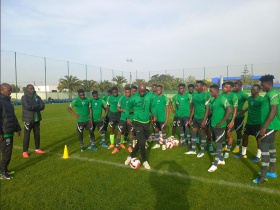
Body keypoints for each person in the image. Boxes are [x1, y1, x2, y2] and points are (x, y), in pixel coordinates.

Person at [253, 75, 279, 184]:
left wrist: (264, 127)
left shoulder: (273, 94)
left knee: (264, 150)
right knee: (271, 148)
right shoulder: (268, 94)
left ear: (269, 84)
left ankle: (263, 176)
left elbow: (273, 111)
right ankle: (272, 172)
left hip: (269, 127)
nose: (261, 86)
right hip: (270, 126)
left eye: (262, 85)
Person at [124, 83, 157, 170]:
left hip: (146, 123)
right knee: (142, 142)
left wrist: (155, 114)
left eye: (144, 91)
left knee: (140, 141)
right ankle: (145, 161)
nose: (142, 93)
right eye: (141, 91)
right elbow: (127, 108)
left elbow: (152, 106)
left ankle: (130, 156)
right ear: (138, 90)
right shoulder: (133, 98)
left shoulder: (149, 96)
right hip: (137, 122)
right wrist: (127, 117)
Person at [234, 85, 263, 162]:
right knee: (245, 136)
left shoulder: (261, 100)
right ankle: (243, 154)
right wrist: (244, 111)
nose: (252, 91)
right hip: (249, 122)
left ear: (258, 91)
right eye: (251, 89)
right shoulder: (249, 98)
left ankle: (258, 156)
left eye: (254, 90)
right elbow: (250, 106)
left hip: (257, 123)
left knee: (258, 139)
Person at [208, 85, 232, 172]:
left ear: (215, 91)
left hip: (220, 127)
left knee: (218, 145)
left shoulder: (222, 99)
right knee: (217, 143)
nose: (210, 93)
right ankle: (221, 160)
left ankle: (215, 165)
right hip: (214, 125)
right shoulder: (214, 100)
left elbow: (229, 110)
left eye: (211, 91)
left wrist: (222, 122)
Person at [0, 83, 22, 180]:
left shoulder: (8, 101)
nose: (10, 92)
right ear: (2, 90)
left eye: (11, 90)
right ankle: (3, 172)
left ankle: (4, 169)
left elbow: (13, 116)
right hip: (4, 132)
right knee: (6, 153)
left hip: (9, 130)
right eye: (8, 90)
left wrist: (18, 128)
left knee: (7, 152)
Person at [22, 84, 45, 158]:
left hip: (37, 119)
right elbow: (27, 107)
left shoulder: (37, 97)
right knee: (26, 136)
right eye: (30, 89)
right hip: (28, 119)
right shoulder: (24, 97)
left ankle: (37, 149)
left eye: (33, 88)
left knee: (37, 135)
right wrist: (37, 106)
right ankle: (25, 151)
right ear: (27, 89)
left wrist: (33, 106)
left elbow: (42, 106)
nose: (32, 90)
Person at [188, 81, 211, 157]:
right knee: (193, 133)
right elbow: (193, 107)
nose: (196, 87)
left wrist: (204, 121)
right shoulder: (194, 95)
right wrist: (191, 117)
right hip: (195, 117)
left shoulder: (206, 95)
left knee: (202, 134)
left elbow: (207, 109)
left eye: (197, 86)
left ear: (202, 86)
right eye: (196, 86)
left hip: (202, 118)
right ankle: (193, 150)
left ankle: (202, 151)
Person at [112, 87, 134, 154]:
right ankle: (116, 148)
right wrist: (124, 110)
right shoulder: (121, 99)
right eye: (126, 92)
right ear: (125, 92)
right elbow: (118, 108)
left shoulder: (133, 99)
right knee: (119, 132)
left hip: (131, 118)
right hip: (123, 118)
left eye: (128, 92)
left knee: (131, 132)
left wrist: (129, 111)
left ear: (130, 91)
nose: (127, 94)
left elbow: (135, 109)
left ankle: (129, 146)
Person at [232, 80, 249, 153]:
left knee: (238, 131)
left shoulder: (243, 94)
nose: (234, 87)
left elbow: (253, 102)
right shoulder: (231, 93)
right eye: (233, 86)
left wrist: (244, 110)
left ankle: (237, 146)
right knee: (227, 130)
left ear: (240, 86)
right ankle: (226, 145)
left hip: (239, 116)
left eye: (235, 86)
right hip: (230, 115)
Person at [222, 81, 238, 158]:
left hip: (229, 119)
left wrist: (232, 121)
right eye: (224, 86)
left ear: (231, 88)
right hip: (221, 119)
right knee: (222, 134)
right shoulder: (221, 95)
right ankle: (223, 147)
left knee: (229, 134)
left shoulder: (234, 96)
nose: (224, 88)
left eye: (226, 87)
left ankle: (227, 152)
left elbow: (235, 110)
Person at [151, 85, 169, 150]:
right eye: (157, 90)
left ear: (162, 89)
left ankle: (164, 144)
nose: (158, 91)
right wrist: (152, 117)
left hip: (162, 118)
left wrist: (166, 120)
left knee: (163, 130)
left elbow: (167, 110)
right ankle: (157, 144)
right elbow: (152, 108)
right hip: (155, 118)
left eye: (159, 90)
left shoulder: (165, 98)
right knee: (156, 130)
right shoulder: (154, 98)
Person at [176, 84, 193, 149]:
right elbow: (178, 105)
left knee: (187, 129)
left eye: (181, 88)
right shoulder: (178, 97)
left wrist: (190, 116)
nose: (180, 89)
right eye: (179, 88)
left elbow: (191, 106)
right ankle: (183, 142)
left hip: (186, 115)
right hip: (180, 115)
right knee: (180, 129)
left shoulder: (189, 95)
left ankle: (189, 143)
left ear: (184, 89)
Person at [203, 83, 214, 151]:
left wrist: (211, 111)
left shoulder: (210, 95)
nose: (202, 88)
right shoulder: (200, 95)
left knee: (210, 129)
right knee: (205, 129)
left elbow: (214, 104)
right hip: (203, 115)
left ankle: (210, 144)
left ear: (205, 87)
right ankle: (206, 142)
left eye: (203, 86)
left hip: (210, 115)